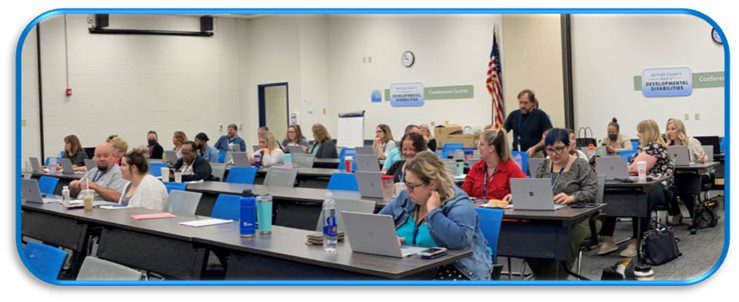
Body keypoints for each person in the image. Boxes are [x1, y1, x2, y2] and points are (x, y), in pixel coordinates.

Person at [378, 151, 492, 280]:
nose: (407, 191)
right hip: (408, 268)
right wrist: (389, 238)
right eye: (406, 184)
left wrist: (433, 211)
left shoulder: (458, 202)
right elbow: (377, 223)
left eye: (412, 186)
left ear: (432, 184)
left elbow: (459, 241)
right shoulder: (406, 198)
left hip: (454, 269)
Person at [527, 128, 598, 280]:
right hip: (548, 217)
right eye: (550, 150)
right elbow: (533, 189)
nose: (554, 154)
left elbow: (592, 192)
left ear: (569, 147)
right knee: (526, 236)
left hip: (576, 218)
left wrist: (572, 197)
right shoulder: (543, 166)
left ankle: (554, 279)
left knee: (566, 237)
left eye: (559, 149)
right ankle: (545, 276)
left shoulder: (580, 165)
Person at [599, 119, 674, 257]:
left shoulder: (655, 147)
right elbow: (633, 168)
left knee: (639, 198)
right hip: (641, 184)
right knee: (612, 195)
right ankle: (607, 239)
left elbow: (634, 168)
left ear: (647, 132)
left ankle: (636, 241)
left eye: (640, 132)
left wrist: (622, 167)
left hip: (659, 188)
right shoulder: (643, 148)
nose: (638, 135)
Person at [461, 129, 525, 201]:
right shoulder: (476, 167)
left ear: (491, 148)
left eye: (481, 145)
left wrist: (513, 196)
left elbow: (524, 193)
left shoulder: (511, 168)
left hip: (501, 211)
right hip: (478, 210)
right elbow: (463, 193)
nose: (478, 148)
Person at [665, 118, 707, 225]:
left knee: (684, 192)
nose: (670, 131)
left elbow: (704, 157)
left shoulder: (691, 142)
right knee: (666, 189)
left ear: (680, 129)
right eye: (668, 129)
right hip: (676, 175)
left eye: (673, 129)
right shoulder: (668, 146)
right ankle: (676, 213)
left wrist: (702, 159)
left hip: (692, 175)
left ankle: (696, 216)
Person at [503, 89, 553, 157]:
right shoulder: (513, 115)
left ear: (533, 103)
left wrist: (535, 148)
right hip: (517, 155)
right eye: (520, 102)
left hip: (535, 154)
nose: (522, 106)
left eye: (525, 103)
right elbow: (502, 132)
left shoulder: (541, 115)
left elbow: (549, 137)